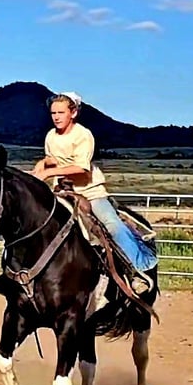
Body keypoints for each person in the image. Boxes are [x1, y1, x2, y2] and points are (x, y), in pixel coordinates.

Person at [31, 92, 157, 294]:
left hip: (90, 193)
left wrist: (48, 172)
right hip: (61, 191)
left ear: (73, 113)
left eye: (61, 112)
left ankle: (135, 271)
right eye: (53, 112)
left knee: (112, 225)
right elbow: (53, 158)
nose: (56, 117)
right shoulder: (51, 136)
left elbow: (82, 167)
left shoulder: (83, 135)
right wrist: (44, 162)